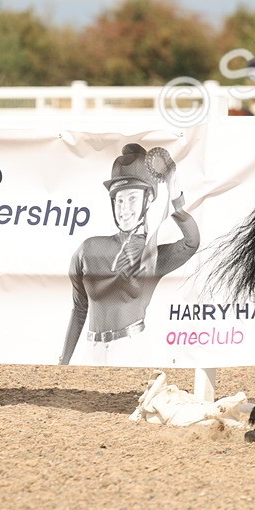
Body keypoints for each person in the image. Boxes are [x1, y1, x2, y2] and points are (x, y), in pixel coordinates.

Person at [60, 144, 199, 365]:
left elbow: (192, 242)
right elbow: (79, 308)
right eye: (119, 200)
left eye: (132, 198)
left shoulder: (153, 255)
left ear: (148, 200)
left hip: (132, 349)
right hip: (92, 351)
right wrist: (64, 361)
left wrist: (174, 195)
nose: (124, 209)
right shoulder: (88, 248)